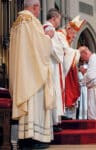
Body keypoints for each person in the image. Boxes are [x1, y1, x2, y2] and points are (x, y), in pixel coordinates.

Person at [9, 0, 54, 149]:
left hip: (23, 74)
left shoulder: (16, 24)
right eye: (39, 9)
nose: (39, 12)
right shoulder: (32, 22)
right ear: (34, 7)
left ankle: (24, 140)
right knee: (34, 107)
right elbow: (41, 47)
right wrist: (48, 36)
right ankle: (34, 140)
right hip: (33, 75)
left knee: (27, 109)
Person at [57, 16, 86, 119]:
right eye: (73, 33)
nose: (74, 37)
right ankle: (65, 115)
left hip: (67, 70)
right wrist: (79, 51)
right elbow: (67, 53)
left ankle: (69, 115)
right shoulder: (60, 34)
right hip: (60, 70)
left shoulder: (66, 37)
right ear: (69, 29)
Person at [43, 8, 64, 131]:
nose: (59, 22)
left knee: (54, 91)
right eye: (58, 20)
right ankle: (53, 122)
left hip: (53, 64)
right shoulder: (49, 28)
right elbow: (52, 47)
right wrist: (61, 53)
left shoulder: (49, 28)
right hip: (51, 64)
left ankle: (54, 121)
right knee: (53, 91)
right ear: (54, 18)